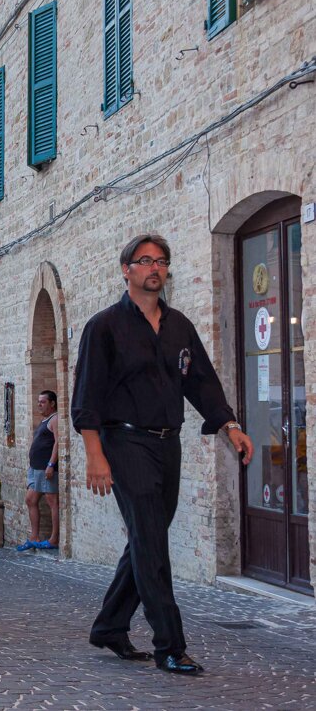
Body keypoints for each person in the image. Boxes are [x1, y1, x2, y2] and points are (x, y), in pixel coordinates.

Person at [72, 234, 254, 675]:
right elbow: (87, 397)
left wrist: (229, 426)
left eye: (162, 261)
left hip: (167, 442)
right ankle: (169, 645)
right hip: (124, 442)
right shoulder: (104, 327)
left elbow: (201, 382)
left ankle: (110, 625)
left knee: (146, 539)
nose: (155, 268)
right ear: (126, 269)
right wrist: (95, 455)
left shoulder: (179, 327)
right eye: (145, 261)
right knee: (152, 543)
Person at [14, 391, 59, 551]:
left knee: (52, 502)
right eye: (38, 401)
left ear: (52, 403)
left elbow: (58, 443)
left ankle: (54, 539)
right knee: (30, 500)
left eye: (43, 402)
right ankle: (34, 537)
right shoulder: (44, 420)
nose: (39, 404)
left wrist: (51, 464)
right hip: (35, 468)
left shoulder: (55, 419)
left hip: (46, 467)